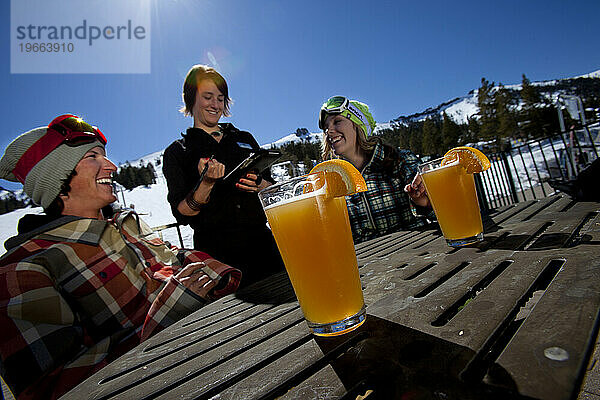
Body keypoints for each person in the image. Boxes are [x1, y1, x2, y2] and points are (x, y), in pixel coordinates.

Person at [0, 115, 241, 400]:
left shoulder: (126, 225)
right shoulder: (23, 267)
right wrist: (169, 317)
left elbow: (177, 259)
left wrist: (210, 273)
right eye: (92, 156)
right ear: (54, 177)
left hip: (220, 355)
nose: (112, 166)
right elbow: (51, 389)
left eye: (105, 155)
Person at [163, 64, 284, 288]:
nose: (215, 105)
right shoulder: (178, 152)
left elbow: (272, 188)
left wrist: (260, 183)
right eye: (208, 97)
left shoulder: (244, 138)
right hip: (218, 256)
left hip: (264, 245)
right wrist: (206, 183)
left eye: (220, 98)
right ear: (191, 100)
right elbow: (182, 213)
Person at [318, 96, 433, 243]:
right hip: (368, 262)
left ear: (358, 125)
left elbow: (442, 215)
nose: (329, 131)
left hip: (416, 251)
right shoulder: (331, 183)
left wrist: (424, 203)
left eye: (337, 121)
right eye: (326, 127)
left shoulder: (400, 161)